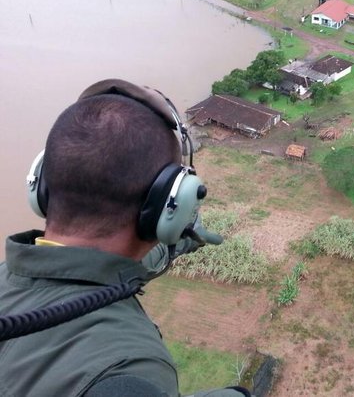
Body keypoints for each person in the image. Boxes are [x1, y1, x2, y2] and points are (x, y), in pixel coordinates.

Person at [0, 80, 248, 397]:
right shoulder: (125, 370)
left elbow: (99, 264)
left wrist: (186, 239)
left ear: (43, 185)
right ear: (167, 207)